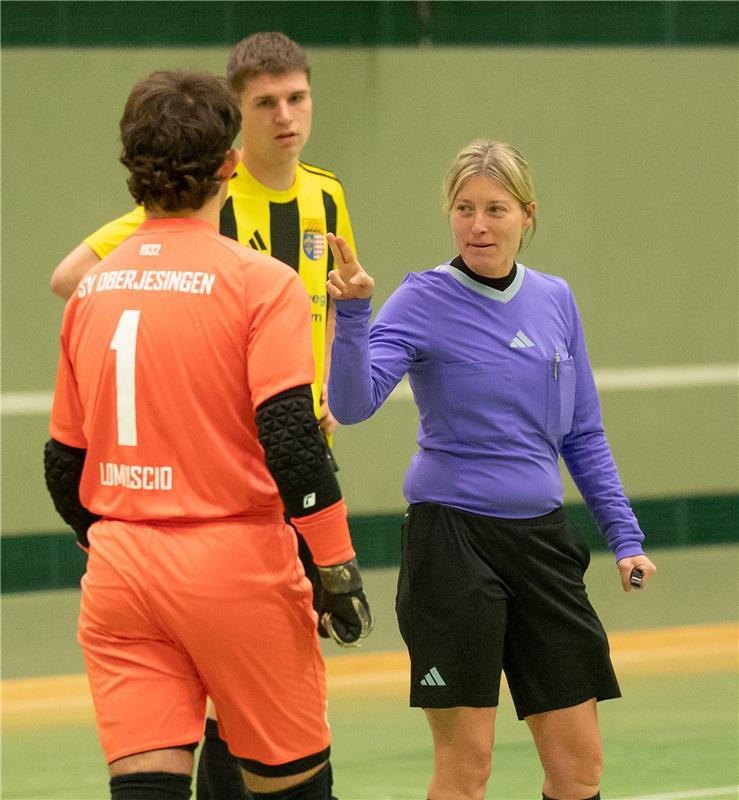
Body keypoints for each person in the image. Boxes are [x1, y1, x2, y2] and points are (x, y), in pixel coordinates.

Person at [44, 69, 372, 800]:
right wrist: (336, 568)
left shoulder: (91, 291)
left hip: (121, 574)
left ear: (133, 169)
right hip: (235, 570)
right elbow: (290, 437)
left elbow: (64, 464)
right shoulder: (261, 283)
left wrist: (109, 540)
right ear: (229, 164)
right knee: (290, 785)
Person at [324, 139, 656, 800]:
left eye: (495, 209)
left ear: (526, 216)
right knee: (467, 765)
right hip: (451, 543)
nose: (478, 224)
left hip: (539, 542)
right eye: (464, 208)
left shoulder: (556, 300)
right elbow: (351, 404)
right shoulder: (419, 298)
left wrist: (624, 538)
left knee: (579, 768)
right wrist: (354, 315)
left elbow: (582, 432)